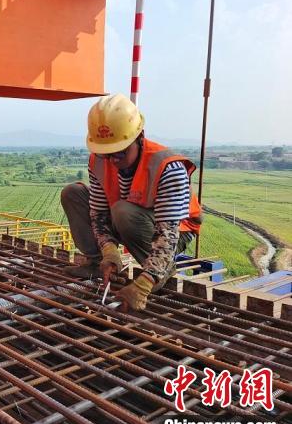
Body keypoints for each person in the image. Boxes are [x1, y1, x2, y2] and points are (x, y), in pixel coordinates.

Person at [61, 94, 202, 312]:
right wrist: (109, 251)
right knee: (73, 193)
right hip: (125, 218)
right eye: (106, 154)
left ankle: (156, 273)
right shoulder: (98, 161)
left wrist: (144, 283)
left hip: (174, 231)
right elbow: (98, 213)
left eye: (119, 153)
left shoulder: (167, 167)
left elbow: (168, 233)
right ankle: (98, 264)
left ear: (139, 137)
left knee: (122, 211)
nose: (112, 160)